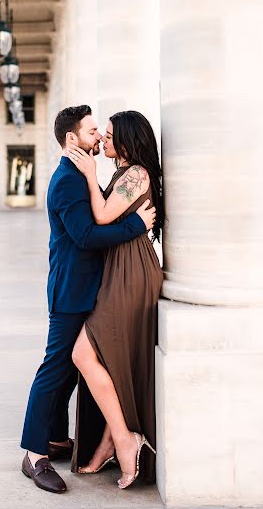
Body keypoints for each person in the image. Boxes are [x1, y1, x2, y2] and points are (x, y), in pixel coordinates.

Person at [20, 105, 156, 494]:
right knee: (55, 368)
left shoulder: (85, 175)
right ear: (72, 139)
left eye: (102, 131)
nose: (98, 137)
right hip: (72, 289)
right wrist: (136, 225)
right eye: (93, 131)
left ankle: (56, 439)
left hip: (96, 286)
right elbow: (85, 237)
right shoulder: (68, 180)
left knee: (70, 367)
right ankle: (34, 455)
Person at [66, 110, 164, 489]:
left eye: (108, 135)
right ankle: (110, 441)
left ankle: (125, 440)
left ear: (126, 140)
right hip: (119, 271)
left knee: (83, 354)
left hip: (132, 273)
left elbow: (104, 216)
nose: (103, 141)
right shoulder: (124, 173)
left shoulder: (137, 172)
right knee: (112, 358)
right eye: (101, 134)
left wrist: (90, 176)